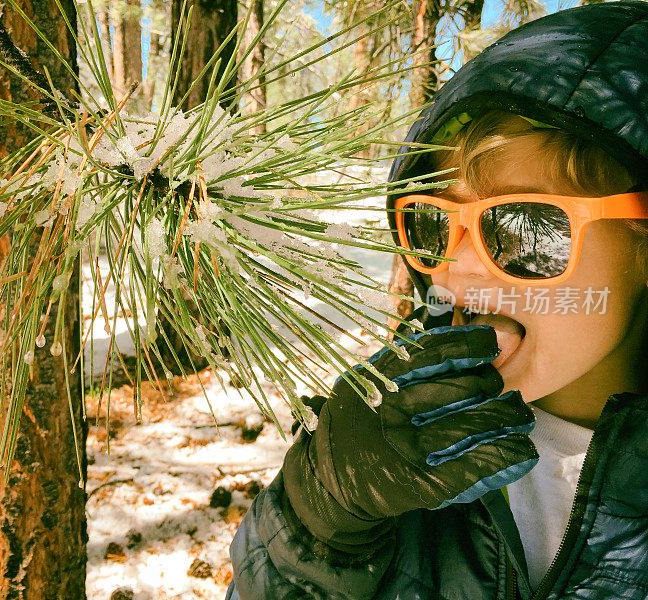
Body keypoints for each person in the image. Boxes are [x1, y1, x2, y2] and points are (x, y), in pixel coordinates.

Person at [224, 2, 648, 599]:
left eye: (523, 227)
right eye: (430, 223)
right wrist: (319, 516)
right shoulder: (398, 436)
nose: (458, 266)